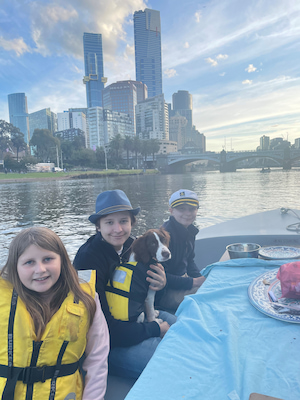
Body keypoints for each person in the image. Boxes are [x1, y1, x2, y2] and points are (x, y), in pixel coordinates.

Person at [73, 189, 176, 379]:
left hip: (134, 320)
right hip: (105, 343)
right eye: (109, 222)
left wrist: (160, 285)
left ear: (132, 223)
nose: (118, 229)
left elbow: (142, 294)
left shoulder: (134, 246)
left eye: (123, 221)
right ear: (98, 226)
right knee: (170, 359)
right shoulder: (88, 259)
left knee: (179, 326)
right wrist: (154, 329)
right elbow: (103, 326)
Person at [0, 227, 109, 400]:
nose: (40, 269)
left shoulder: (87, 299)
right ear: (16, 267)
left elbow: (97, 358)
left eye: (48, 259)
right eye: (29, 262)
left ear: (62, 261)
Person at [156, 189, 206, 312]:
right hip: (164, 293)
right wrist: (194, 282)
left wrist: (200, 278)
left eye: (192, 209)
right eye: (182, 209)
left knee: (210, 286)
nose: (187, 213)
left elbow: (189, 261)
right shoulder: (165, 237)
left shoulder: (189, 231)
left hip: (182, 281)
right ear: (171, 211)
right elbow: (160, 276)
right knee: (207, 296)